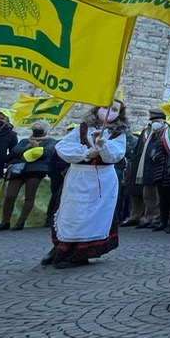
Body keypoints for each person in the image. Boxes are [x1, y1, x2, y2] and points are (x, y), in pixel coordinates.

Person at [44, 100, 128, 268]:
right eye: (105, 107)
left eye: (114, 109)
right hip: (80, 175)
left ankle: (79, 253)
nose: (109, 112)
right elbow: (63, 146)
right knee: (69, 212)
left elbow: (116, 154)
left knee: (92, 216)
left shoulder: (119, 134)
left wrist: (104, 147)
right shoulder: (82, 128)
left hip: (101, 179)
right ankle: (60, 247)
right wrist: (85, 152)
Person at [0, 122, 56, 230]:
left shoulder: (51, 141)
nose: (37, 128)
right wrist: (29, 147)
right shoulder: (25, 141)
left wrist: (35, 150)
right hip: (18, 170)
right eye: (35, 127)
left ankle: (21, 222)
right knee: (10, 195)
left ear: (45, 129)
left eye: (40, 127)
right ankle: (5, 221)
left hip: (36, 170)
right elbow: (15, 151)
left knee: (29, 196)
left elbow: (48, 152)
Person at [122, 108, 164, 228]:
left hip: (156, 166)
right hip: (142, 166)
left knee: (156, 196)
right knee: (145, 195)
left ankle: (156, 217)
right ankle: (144, 216)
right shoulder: (146, 131)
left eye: (156, 119)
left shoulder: (165, 131)